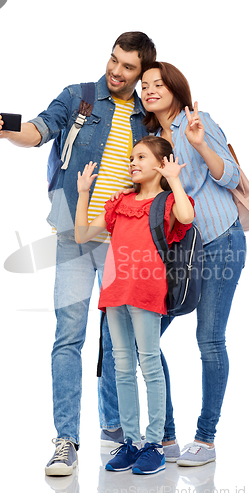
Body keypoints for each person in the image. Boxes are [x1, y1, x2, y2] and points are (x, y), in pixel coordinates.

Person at [0, 32, 157, 476]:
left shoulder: (147, 119)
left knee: (119, 338)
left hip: (122, 238)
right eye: (113, 60)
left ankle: (116, 428)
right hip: (73, 236)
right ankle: (66, 440)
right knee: (69, 335)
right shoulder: (79, 98)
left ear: (141, 75)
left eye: (127, 68)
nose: (116, 71)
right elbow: (39, 130)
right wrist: (9, 132)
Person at [139, 61, 247, 466]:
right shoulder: (150, 139)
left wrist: (200, 143)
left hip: (220, 243)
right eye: (144, 85)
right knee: (144, 337)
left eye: (158, 83)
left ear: (175, 87)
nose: (150, 90)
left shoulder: (196, 123)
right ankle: (166, 436)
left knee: (209, 339)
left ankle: (205, 438)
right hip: (180, 255)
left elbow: (231, 175)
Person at [75, 136, 195, 474]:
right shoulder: (120, 202)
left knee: (150, 365)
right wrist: (85, 192)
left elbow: (185, 217)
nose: (133, 162)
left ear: (160, 164)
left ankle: (154, 444)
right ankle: (132, 441)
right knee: (122, 367)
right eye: (132, 157)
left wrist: (174, 178)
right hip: (115, 293)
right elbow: (83, 234)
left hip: (146, 293)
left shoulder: (167, 202)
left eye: (141, 157)